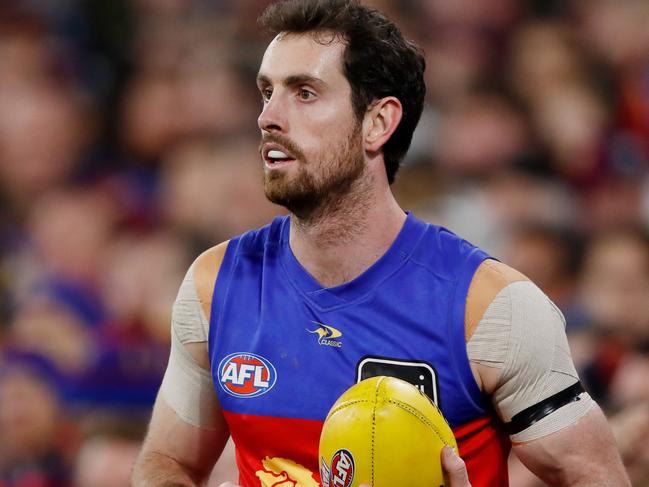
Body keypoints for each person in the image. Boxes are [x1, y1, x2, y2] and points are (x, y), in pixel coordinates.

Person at [131, 0, 630, 485]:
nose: (269, 117)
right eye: (267, 92)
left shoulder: (488, 305)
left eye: (304, 92)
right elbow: (166, 462)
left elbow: (594, 476)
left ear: (378, 123)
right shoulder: (215, 285)